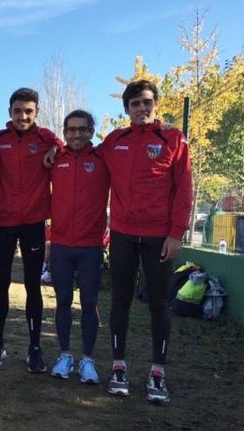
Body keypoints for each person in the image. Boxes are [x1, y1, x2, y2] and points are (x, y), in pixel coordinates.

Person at [100, 80, 192, 403]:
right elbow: (84, 155)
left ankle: (157, 373)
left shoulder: (173, 139)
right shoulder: (114, 141)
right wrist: (54, 151)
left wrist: (176, 233)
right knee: (120, 301)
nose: (142, 108)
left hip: (160, 238)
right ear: (127, 109)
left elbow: (184, 189)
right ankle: (118, 367)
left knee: (158, 304)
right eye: (135, 103)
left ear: (156, 105)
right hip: (123, 235)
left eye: (147, 102)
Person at [0, 88, 63, 373]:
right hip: (4, 222)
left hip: (33, 223)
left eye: (28, 111)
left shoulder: (46, 139)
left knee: (33, 285)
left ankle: (35, 347)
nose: (23, 116)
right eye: (18, 111)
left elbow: (65, 146)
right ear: (10, 112)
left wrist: (56, 149)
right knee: (2, 283)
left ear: (37, 113)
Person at [48, 110, 109, 384]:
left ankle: (87, 359)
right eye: (71, 130)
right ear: (64, 133)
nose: (76, 134)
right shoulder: (55, 159)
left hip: (90, 246)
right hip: (61, 245)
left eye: (82, 129)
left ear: (91, 132)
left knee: (89, 302)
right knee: (62, 301)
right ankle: (64, 355)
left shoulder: (103, 158)